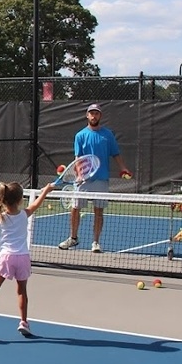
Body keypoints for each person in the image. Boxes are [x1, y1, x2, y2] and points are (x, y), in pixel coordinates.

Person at [0, 181, 54, 338]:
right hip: (22, 258)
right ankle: (23, 322)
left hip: (6, 258)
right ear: (20, 200)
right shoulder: (25, 214)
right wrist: (46, 191)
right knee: (21, 292)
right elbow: (37, 203)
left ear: (3, 199)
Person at [57, 104, 132, 253]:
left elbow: (115, 153)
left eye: (96, 113)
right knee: (75, 209)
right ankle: (73, 238)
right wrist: (79, 175)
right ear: (87, 116)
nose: (93, 116)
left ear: (100, 116)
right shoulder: (80, 135)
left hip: (101, 179)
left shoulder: (108, 135)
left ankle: (96, 242)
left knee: (98, 211)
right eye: (91, 113)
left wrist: (123, 167)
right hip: (83, 180)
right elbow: (78, 158)